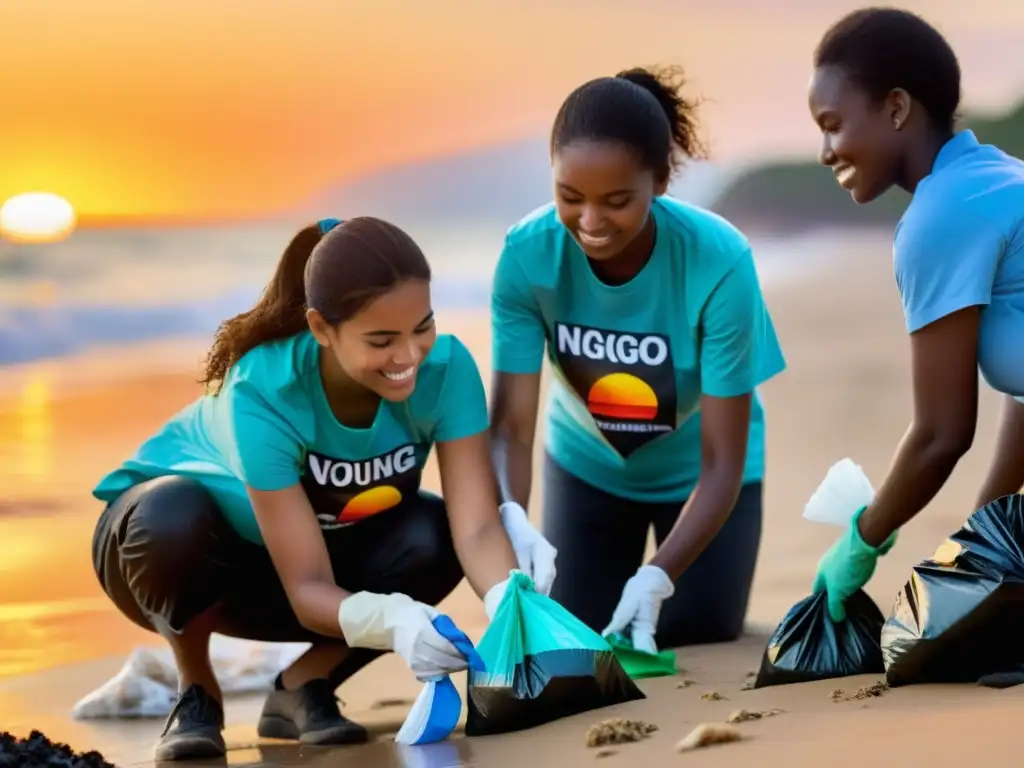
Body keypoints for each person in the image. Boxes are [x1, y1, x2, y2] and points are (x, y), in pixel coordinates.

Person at [89, 217, 557, 761]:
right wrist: (393, 621)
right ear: (321, 328)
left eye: (422, 327)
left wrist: (512, 606)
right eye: (382, 340)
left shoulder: (446, 371)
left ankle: (302, 688)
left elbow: (475, 527)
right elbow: (307, 586)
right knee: (173, 517)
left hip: (318, 551)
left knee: (432, 532)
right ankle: (196, 693)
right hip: (166, 560)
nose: (409, 356)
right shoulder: (264, 390)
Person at [488, 65, 787, 655]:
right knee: (580, 640)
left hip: (701, 476)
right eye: (569, 197)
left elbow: (723, 459)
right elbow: (511, 428)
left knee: (698, 631)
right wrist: (511, 517)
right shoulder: (526, 257)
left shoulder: (718, 261)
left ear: (661, 180)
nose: (591, 223)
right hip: (587, 468)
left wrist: (660, 574)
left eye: (618, 201)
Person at [807, 7, 1024, 622]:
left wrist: (860, 540)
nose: (825, 151)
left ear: (896, 109)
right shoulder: (994, 178)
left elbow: (940, 434)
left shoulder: (939, 217)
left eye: (833, 125)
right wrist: (981, 539)